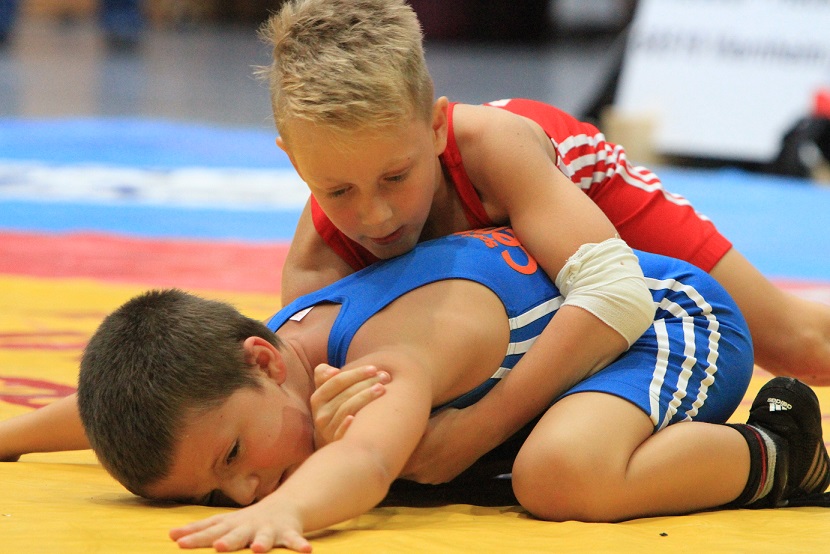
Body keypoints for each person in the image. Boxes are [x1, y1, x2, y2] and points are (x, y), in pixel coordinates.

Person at [260, 0, 830, 484]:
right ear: (293, 160)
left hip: (586, 202)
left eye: (396, 176)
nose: (375, 214)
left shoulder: (491, 149)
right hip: (526, 304)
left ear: (436, 127)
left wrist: (476, 430)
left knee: (802, 345)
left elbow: (615, 297)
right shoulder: (316, 273)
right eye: (337, 190)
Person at [75, 228, 827, 553]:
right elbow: (135, 403)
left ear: (264, 363)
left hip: (663, 323)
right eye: (217, 494)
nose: (243, 493)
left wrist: (288, 509)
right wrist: (19, 437)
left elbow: (369, 463)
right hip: (574, 367)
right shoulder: (252, 364)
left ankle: (782, 453)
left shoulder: (384, 359)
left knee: (558, 475)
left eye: (234, 458)